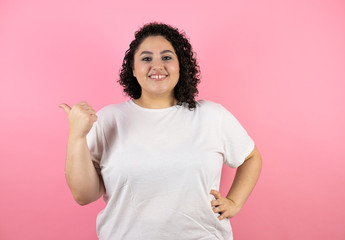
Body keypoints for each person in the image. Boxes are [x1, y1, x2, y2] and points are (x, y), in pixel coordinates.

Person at [59, 22, 262, 240]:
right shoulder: (108, 119)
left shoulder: (212, 115)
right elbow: (84, 195)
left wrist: (234, 202)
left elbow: (251, 157)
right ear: (134, 70)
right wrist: (77, 136)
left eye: (166, 57)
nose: (157, 65)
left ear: (180, 66)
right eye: (146, 58)